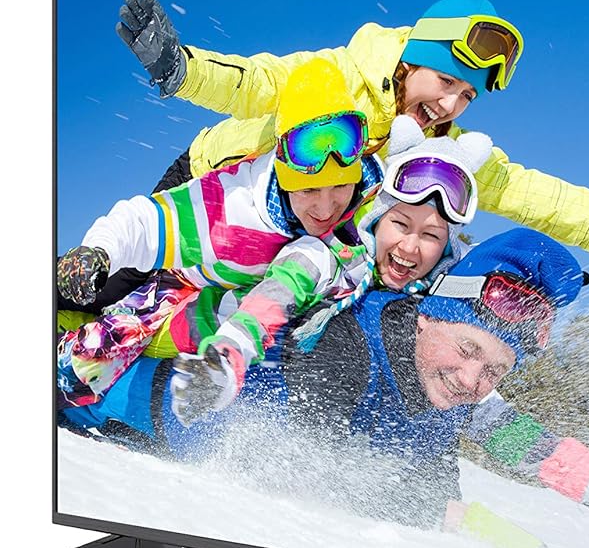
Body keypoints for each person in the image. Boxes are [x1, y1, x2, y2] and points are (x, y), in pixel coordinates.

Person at [61, 229, 589, 548]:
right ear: (427, 316)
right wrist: (450, 515)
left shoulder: (453, 384)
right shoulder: (350, 347)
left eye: (496, 370)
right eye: (467, 350)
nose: (473, 381)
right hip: (133, 401)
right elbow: (294, 471)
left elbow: (499, 426)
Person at [116, 0, 589, 275]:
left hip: (294, 225)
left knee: (209, 305)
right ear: (411, 59)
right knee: (131, 268)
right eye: (446, 81)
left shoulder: (443, 149)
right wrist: (181, 68)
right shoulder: (339, 74)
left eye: (467, 95)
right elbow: (256, 82)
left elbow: (528, 192)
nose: (451, 103)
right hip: (213, 180)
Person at [56, 58, 378, 407]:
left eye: (339, 187)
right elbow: (147, 221)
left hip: (227, 307)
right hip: (181, 281)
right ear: (286, 180)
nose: (326, 209)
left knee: (191, 331)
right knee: (85, 365)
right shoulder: (232, 205)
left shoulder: (374, 198)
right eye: (309, 191)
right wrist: (99, 250)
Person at [170, 114, 494, 423]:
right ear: (376, 220)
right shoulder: (325, 256)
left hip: (284, 389)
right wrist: (228, 357)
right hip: (200, 335)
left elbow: (473, 366)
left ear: (446, 248)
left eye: (431, 235)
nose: (410, 247)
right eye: (400, 224)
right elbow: (272, 299)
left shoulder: (433, 295)